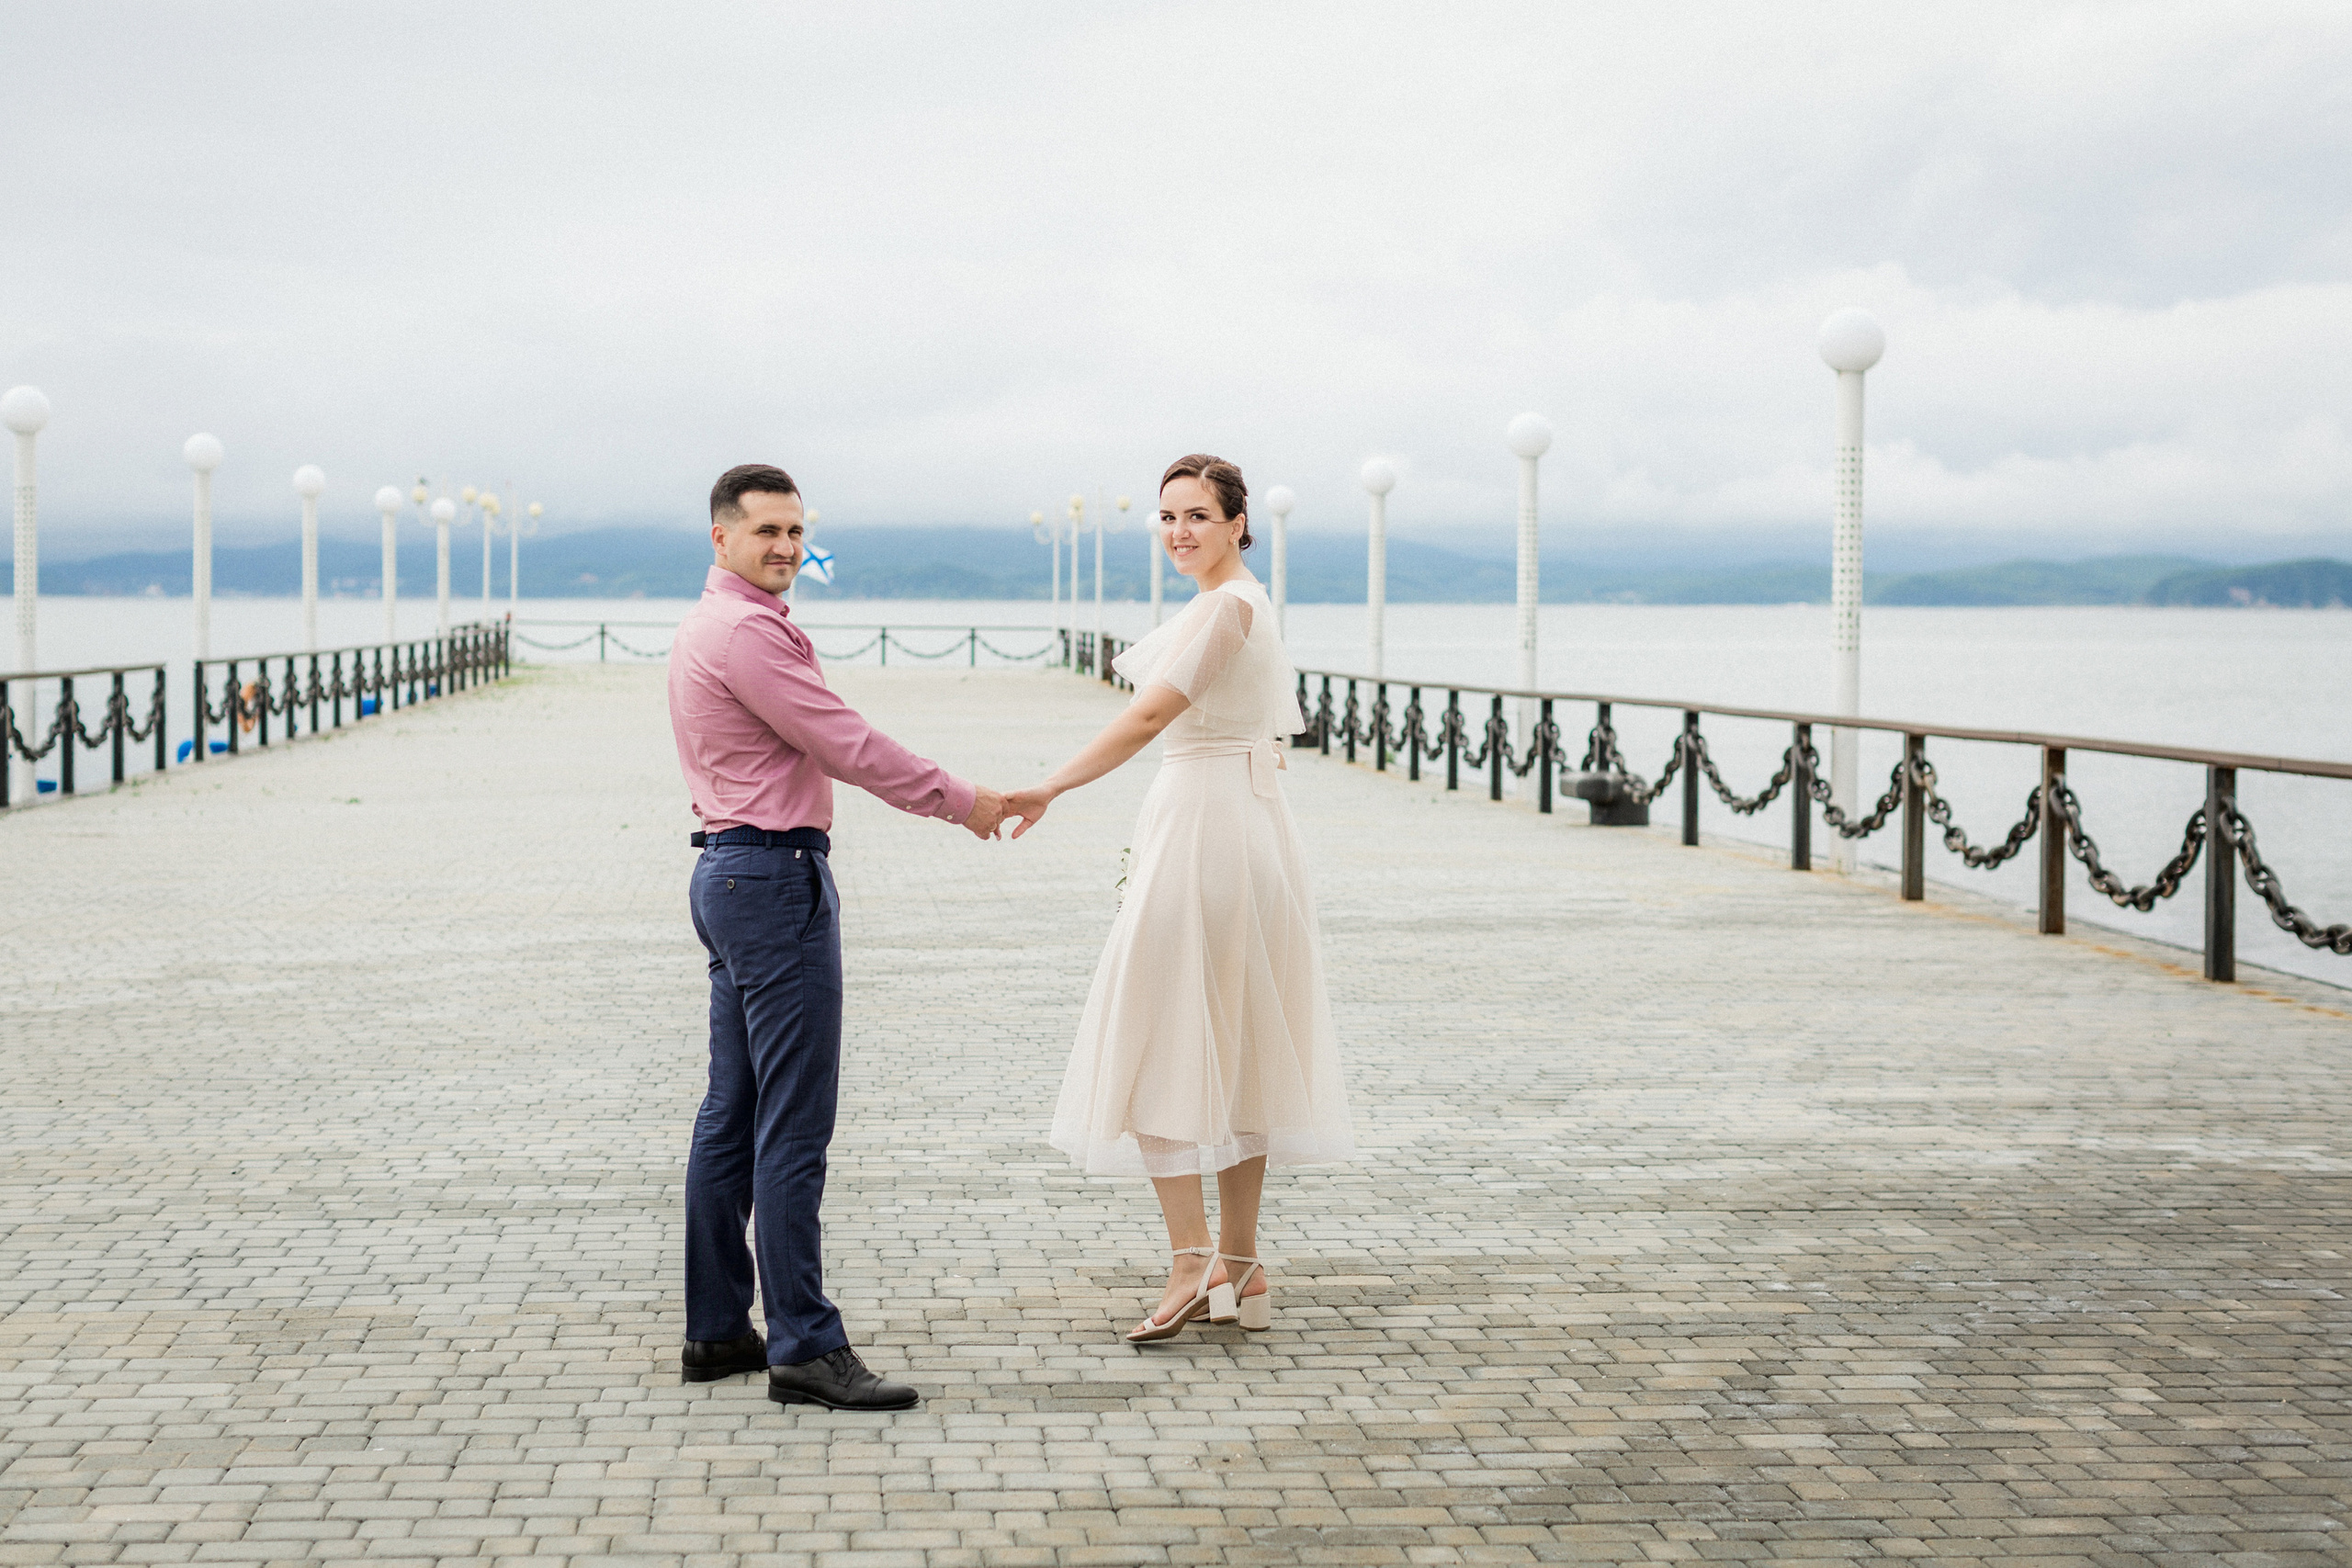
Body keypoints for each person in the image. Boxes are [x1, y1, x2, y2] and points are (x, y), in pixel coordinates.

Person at [670, 463, 1008, 1408]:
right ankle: (805, 1346)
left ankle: (716, 1331)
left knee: (730, 1113)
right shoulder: (745, 633)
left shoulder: (713, 624)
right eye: (766, 530)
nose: (783, 547)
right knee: (792, 1125)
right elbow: (843, 742)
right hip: (772, 881)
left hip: (731, 872)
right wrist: (964, 802)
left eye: (794, 531)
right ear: (721, 538)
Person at [1002, 454, 1353, 1341]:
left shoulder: (1230, 606)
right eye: (1166, 517)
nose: (1179, 532)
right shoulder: (1233, 604)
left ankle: (1194, 1257)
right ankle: (1241, 1264)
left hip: (1211, 826)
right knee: (1234, 1033)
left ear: (1240, 523)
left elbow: (1151, 715)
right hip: (1234, 823)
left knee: (1155, 1021)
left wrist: (1049, 786)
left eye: (1198, 515)